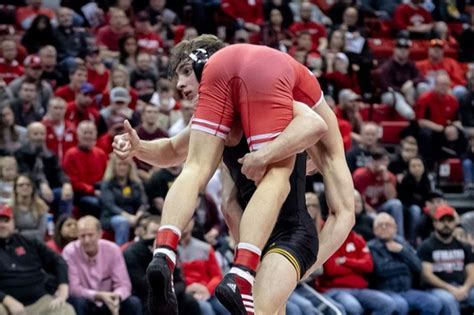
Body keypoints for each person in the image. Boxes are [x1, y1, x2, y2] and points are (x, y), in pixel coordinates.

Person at [114, 35, 355, 314]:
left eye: (185, 72)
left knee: (215, 171)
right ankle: (233, 266)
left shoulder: (273, 104)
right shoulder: (224, 115)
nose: (179, 85)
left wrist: (264, 155)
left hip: (285, 235)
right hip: (260, 243)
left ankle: (170, 252)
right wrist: (138, 147)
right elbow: (171, 150)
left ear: (208, 69)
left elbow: (314, 123)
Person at [0, 204, 75, 315]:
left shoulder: (29, 242)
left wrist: (63, 286)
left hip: (39, 301)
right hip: (5, 304)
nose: (1, 225)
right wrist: (8, 301)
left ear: (13, 223)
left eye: (5, 220)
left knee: (66, 310)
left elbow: (58, 261)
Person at [63, 215, 143, 315]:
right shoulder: (70, 251)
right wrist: (99, 295)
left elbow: (124, 284)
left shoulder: (113, 249)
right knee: (78, 302)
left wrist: (115, 297)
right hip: (86, 301)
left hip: (110, 299)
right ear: (77, 236)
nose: (86, 240)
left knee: (133, 302)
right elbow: (74, 289)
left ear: (100, 234)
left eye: (90, 235)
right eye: (82, 236)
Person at [123, 215, 202, 315]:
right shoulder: (131, 253)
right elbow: (142, 285)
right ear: (144, 233)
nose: (156, 238)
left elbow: (180, 281)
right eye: (153, 233)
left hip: (170, 294)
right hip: (145, 297)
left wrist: (171, 294)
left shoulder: (168, 249)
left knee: (190, 301)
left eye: (160, 234)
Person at [368, 213, 443, 315]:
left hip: (407, 290)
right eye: (380, 225)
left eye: (388, 224)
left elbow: (418, 266)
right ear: (374, 230)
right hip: (384, 291)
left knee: (434, 303)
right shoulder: (371, 247)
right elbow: (381, 270)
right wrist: (405, 266)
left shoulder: (402, 244)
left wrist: (402, 251)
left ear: (395, 228)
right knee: (400, 305)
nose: (384, 227)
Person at [417, 206, 474, 314]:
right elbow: (427, 275)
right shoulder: (426, 246)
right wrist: (451, 289)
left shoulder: (464, 246)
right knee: (449, 300)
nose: (446, 224)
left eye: (450, 220)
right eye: (442, 220)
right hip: (436, 289)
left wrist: (465, 288)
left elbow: (472, 271)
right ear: (434, 223)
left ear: (455, 223)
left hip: (462, 286)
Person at [15, 121, 73, 216]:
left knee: (65, 193)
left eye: (42, 134)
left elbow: (59, 171)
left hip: (50, 190)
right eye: (35, 134)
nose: (39, 137)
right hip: (30, 189)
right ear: (28, 136)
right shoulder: (20, 154)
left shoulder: (50, 154)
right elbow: (25, 173)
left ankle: (63, 224)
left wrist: (66, 183)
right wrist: (41, 183)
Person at [178, 217, 228, 315]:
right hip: (183, 293)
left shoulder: (205, 248)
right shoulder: (171, 250)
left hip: (207, 291)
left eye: (189, 219)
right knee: (206, 309)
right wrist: (187, 289)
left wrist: (207, 290)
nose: (185, 223)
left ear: (193, 222)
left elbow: (217, 276)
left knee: (227, 308)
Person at [353, 147, 405, 236]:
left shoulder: (390, 176)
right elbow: (358, 199)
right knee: (373, 217)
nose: (380, 163)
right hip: (366, 209)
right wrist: (373, 213)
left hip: (381, 208)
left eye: (383, 160)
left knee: (396, 204)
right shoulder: (360, 175)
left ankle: (400, 239)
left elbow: (391, 198)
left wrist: (385, 179)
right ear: (371, 161)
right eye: (376, 160)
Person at [63, 120, 108, 217]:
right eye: (85, 133)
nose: (88, 136)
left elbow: (106, 176)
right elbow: (72, 181)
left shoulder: (101, 154)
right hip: (80, 194)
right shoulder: (71, 154)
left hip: (100, 190)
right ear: (78, 135)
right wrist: (92, 191)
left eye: (91, 133)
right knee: (96, 203)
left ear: (95, 135)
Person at [100, 154, 147, 245]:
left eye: (125, 164)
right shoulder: (107, 184)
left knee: (149, 222)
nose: (122, 168)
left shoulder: (135, 183)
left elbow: (144, 203)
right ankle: (121, 252)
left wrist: (138, 215)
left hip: (134, 216)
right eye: (119, 164)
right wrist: (128, 217)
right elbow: (110, 205)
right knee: (123, 222)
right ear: (113, 166)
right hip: (111, 217)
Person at [10, 174, 48, 241]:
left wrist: (20, 233)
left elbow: (41, 232)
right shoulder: (9, 208)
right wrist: (33, 233)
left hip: (36, 244)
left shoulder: (41, 206)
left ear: (33, 188)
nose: (25, 187)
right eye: (21, 185)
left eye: (28, 184)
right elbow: (10, 232)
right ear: (15, 188)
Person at [41, 97, 77, 163]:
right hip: (49, 165)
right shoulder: (42, 127)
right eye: (55, 108)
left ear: (65, 110)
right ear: (49, 109)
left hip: (68, 166)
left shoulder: (72, 128)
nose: (58, 111)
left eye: (61, 108)